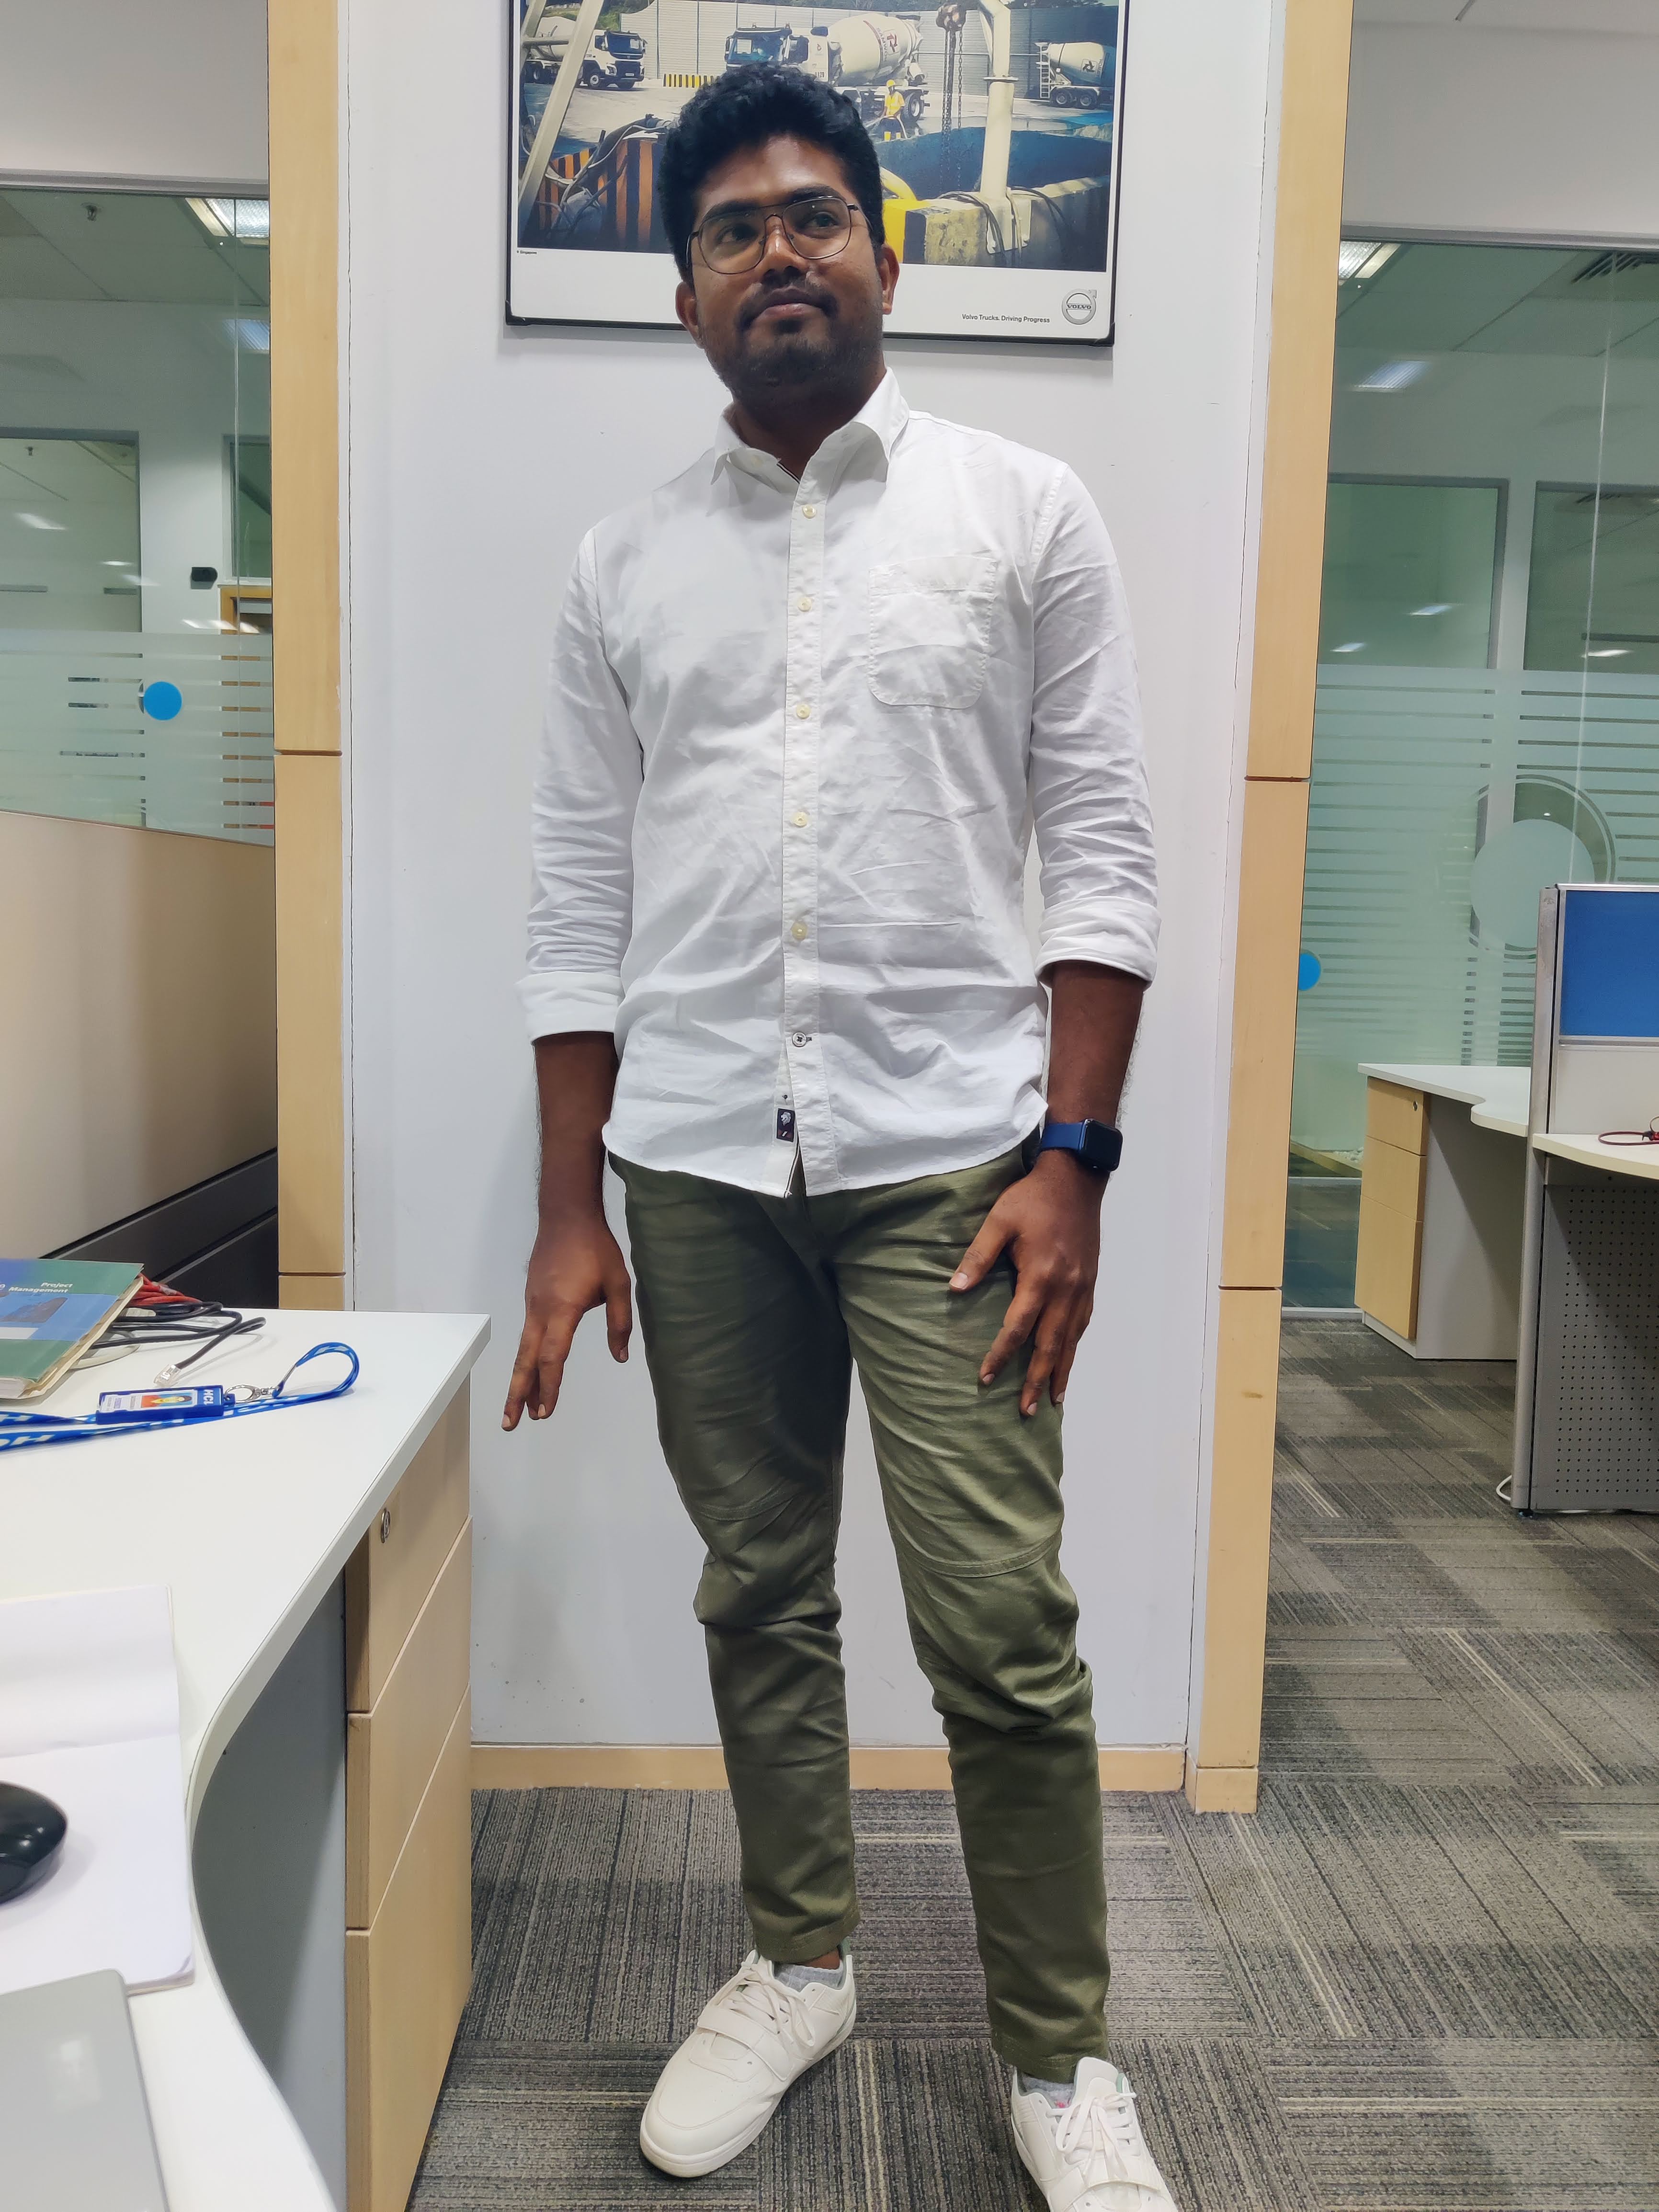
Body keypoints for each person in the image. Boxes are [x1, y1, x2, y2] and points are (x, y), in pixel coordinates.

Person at [505, 62, 1177, 2212]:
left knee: (999, 1633)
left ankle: (1057, 2056)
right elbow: (574, 898)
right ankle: (797, 1963)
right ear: (686, 295)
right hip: (697, 1164)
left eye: (812, 214)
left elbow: (1102, 851)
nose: (775, 249)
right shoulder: (619, 566)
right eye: (730, 228)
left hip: (959, 1165)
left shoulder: (1021, 512)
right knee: (758, 1595)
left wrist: (1073, 1155)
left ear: (885, 253)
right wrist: (567, 1208)